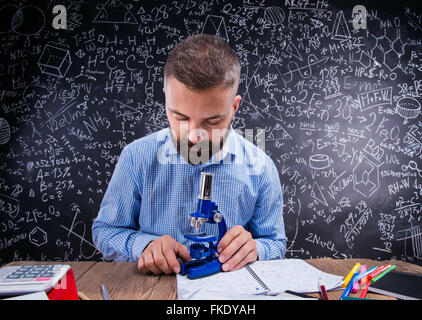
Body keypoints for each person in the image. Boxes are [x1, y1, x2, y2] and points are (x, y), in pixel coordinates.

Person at [92, 34, 286, 275]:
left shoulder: (261, 167)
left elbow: (275, 242)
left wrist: (255, 248)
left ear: (234, 107)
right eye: (181, 117)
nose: (195, 136)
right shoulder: (136, 157)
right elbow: (106, 230)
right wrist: (144, 246)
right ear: (165, 95)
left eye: (213, 120)